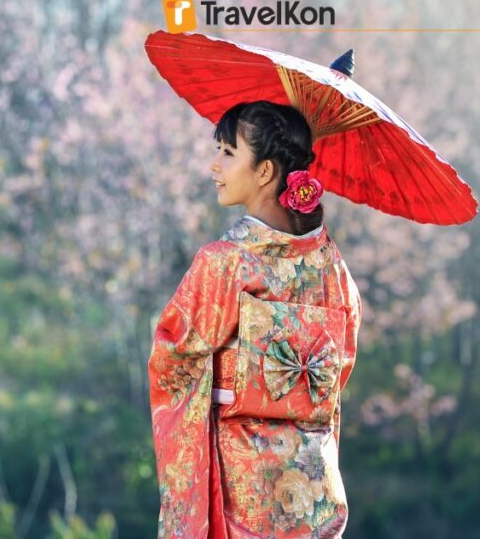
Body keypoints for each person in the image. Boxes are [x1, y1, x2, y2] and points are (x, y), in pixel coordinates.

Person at [148, 101, 363, 539]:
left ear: (265, 171)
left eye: (228, 152)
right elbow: (337, 369)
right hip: (312, 486)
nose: (215, 165)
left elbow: (173, 360)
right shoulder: (332, 268)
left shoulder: (225, 263)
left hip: (244, 485)